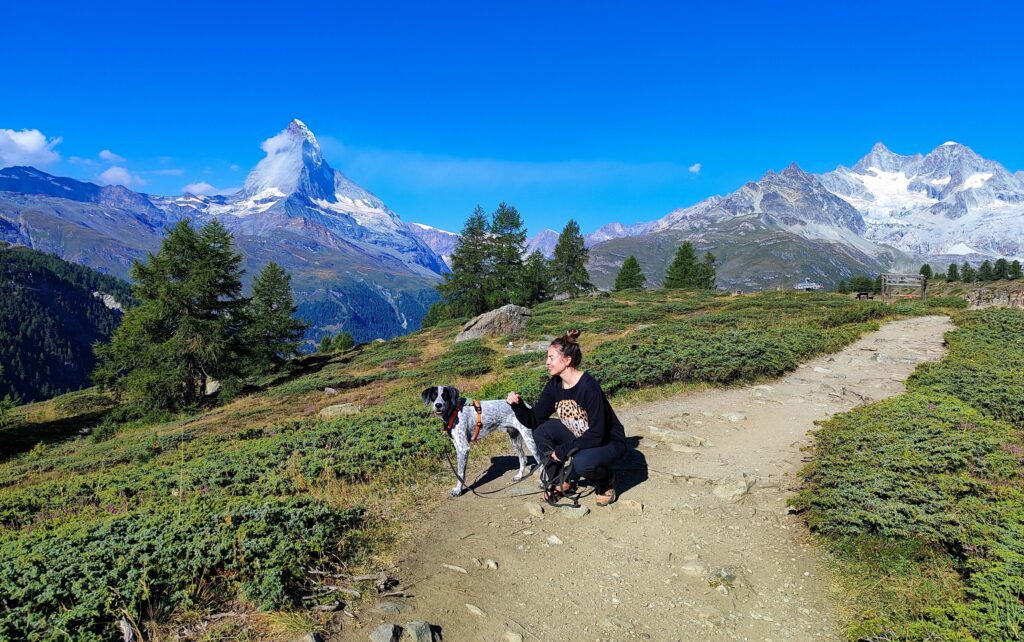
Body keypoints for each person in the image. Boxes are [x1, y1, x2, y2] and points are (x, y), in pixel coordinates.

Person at [506, 329, 626, 506]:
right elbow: (533, 420)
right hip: (581, 436)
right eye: (547, 357)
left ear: (567, 360)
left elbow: (597, 434)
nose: (547, 362)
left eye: (551, 357)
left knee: (582, 462)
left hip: (609, 441)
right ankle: (560, 482)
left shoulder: (588, 387)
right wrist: (518, 406)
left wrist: (564, 450)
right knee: (540, 431)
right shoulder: (555, 384)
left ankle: (606, 482)